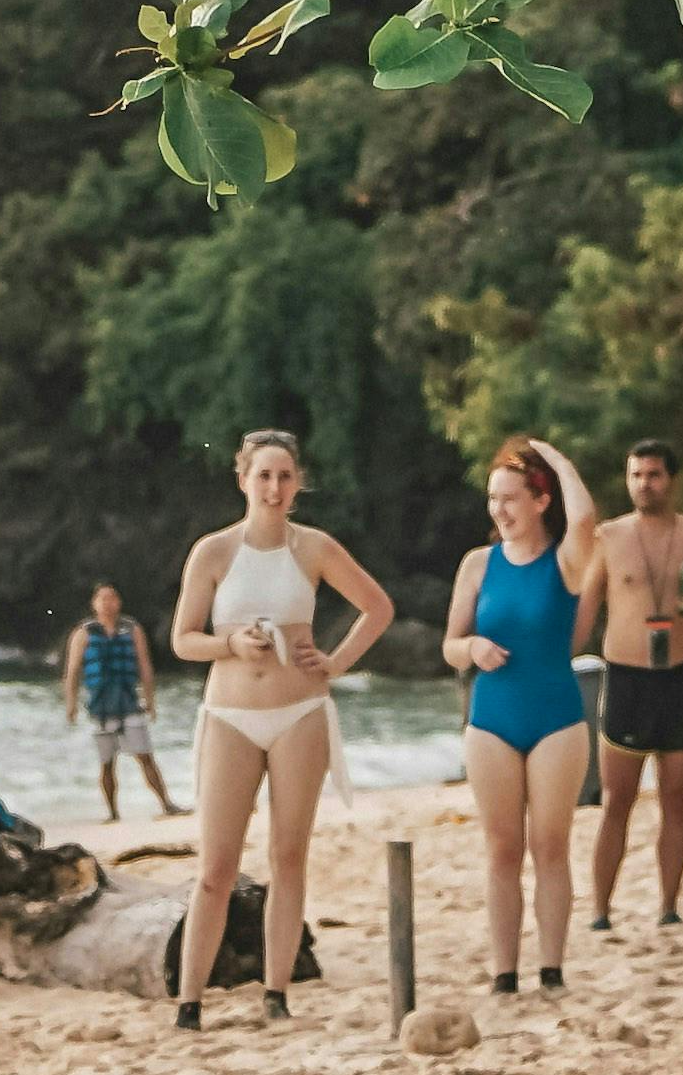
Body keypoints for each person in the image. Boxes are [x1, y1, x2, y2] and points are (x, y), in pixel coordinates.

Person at [167, 430, 395, 1030]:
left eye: (285, 476)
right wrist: (230, 643)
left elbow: (378, 607)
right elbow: (182, 638)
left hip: (301, 714)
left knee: (288, 854)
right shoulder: (213, 552)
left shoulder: (315, 547)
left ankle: (276, 991)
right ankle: (190, 1002)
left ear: (298, 484)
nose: (275, 488)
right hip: (230, 716)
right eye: (264, 476)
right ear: (243, 479)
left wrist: (338, 661)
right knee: (216, 865)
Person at [444, 438, 602, 996]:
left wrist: (559, 461)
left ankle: (552, 968)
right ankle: (504, 972)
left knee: (551, 845)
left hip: (557, 718)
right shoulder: (477, 564)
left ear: (540, 500)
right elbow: (450, 644)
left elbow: (586, 518)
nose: (500, 510)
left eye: (511, 498)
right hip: (491, 718)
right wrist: (473, 650)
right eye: (493, 499)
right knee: (501, 849)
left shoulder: (566, 560)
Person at [588, 439, 683, 932]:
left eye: (652, 475)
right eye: (635, 475)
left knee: (675, 798)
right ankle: (600, 910)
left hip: (681, 675)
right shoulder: (607, 537)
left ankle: (669, 905)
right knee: (616, 800)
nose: (643, 484)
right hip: (627, 677)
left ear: (671, 479)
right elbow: (585, 609)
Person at [59, 583, 179, 820]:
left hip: (129, 703)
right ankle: (113, 813)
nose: (108, 603)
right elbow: (72, 671)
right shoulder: (83, 633)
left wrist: (150, 700)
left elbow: (145, 666)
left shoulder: (131, 629)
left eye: (112, 597)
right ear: (94, 603)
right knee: (106, 763)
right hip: (101, 707)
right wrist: (71, 705)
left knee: (145, 755)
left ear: (119, 602)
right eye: (102, 598)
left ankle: (166, 804)